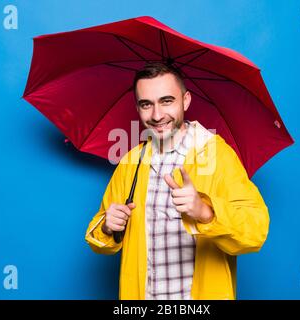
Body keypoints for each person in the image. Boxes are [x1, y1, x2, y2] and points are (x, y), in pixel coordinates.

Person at [85, 62, 270, 300]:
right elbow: (99, 237)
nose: (157, 115)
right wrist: (108, 226)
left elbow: (256, 231)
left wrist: (205, 212)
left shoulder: (216, 154)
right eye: (146, 104)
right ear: (138, 108)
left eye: (166, 101)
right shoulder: (131, 162)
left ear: (185, 101)